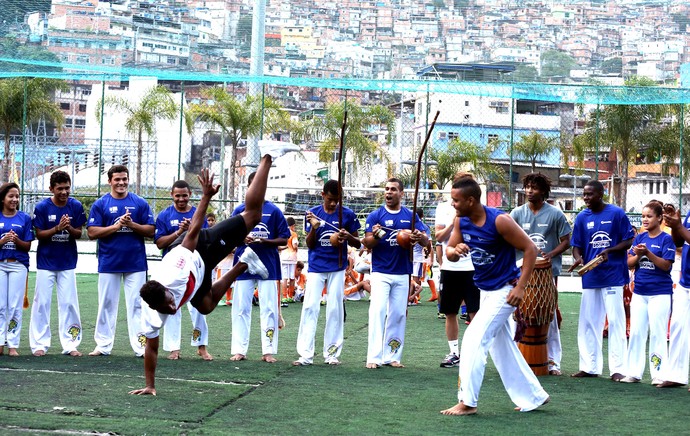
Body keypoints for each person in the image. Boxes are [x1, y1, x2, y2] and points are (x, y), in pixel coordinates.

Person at [130, 141, 299, 396]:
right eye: (167, 308)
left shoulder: (175, 272)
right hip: (199, 277)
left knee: (253, 216)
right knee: (206, 306)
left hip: (203, 248)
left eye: (170, 301)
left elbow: (194, 231)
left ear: (167, 290)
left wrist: (206, 196)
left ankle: (267, 155)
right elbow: (151, 349)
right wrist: (150, 385)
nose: (172, 307)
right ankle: (244, 263)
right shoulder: (151, 315)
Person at [440, 176, 549, 416]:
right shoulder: (461, 220)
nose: (453, 204)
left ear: (470, 200)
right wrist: (454, 250)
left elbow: (530, 249)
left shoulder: (500, 221)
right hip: (485, 291)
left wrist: (521, 287)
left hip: (505, 291)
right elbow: (449, 252)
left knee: (473, 340)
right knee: (501, 348)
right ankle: (533, 396)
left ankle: (467, 402)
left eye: (456, 200)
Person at [568, 180, 634, 381]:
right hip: (591, 277)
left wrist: (610, 250)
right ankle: (589, 367)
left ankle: (618, 369)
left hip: (613, 275)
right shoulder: (581, 217)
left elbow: (629, 240)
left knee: (615, 322)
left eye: (590, 194)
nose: (586, 198)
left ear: (601, 194)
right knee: (588, 322)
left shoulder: (616, 213)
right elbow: (576, 245)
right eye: (584, 194)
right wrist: (578, 258)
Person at [87, 165, 155, 357]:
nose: (121, 183)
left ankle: (141, 346)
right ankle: (103, 345)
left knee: (137, 304)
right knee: (106, 303)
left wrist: (131, 224)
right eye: (117, 179)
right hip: (109, 263)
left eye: (124, 179)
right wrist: (116, 226)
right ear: (109, 181)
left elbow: (151, 231)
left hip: (136, 263)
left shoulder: (140, 203)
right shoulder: (101, 204)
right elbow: (92, 232)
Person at [293, 179, 361, 366]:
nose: (333, 203)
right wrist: (314, 228)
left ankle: (331, 354)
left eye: (336, 200)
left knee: (334, 310)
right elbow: (310, 244)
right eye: (330, 199)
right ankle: (305, 355)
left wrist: (348, 237)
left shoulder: (347, 215)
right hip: (316, 267)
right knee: (309, 308)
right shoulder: (313, 213)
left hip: (337, 268)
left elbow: (358, 242)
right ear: (323, 195)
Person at [363, 178, 428, 369]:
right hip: (381, 271)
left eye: (393, 189)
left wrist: (419, 237)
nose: (388, 193)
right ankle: (374, 357)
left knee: (398, 314)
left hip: (402, 271)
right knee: (377, 312)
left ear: (401, 193)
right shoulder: (376, 215)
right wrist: (375, 236)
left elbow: (425, 241)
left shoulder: (411, 216)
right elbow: (367, 243)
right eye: (386, 189)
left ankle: (391, 355)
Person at [510, 173, 571, 376]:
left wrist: (551, 254)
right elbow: (506, 237)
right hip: (521, 272)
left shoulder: (555, 214)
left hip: (546, 274)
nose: (529, 191)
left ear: (543, 191)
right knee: (516, 315)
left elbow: (566, 240)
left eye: (534, 188)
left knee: (549, 316)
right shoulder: (517, 213)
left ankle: (553, 361)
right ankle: (516, 358)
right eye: (527, 187)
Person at [230, 171, 291, 363]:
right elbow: (229, 235)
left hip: (268, 265)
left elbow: (284, 238)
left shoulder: (273, 211)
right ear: (248, 187)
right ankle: (239, 350)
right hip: (243, 264)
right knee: (241, 308)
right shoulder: (239, 209)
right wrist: (242, 238)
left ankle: (268, 350)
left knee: (269, 309)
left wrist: (264, 240)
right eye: (253, 185)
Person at [29, 171, 87, 357]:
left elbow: (79, 234)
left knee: (69, 303)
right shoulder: (42, 207)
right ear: (51, 189)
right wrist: (57, 228)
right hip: (46, 263)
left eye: (67, 188)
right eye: (60, 188)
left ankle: (70, 344)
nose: (64, 192)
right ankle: (39, 344)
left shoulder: (75, 206)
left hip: (68, 262)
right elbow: (40, 235)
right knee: (42, 303)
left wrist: (68, 227)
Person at [154, 180, 212, 361]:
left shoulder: (197, 213)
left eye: (184, 195)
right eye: (177, 195)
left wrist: (192, 232)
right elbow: (160, 243)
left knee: (197, 307)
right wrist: (180, 232)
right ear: (172, 195)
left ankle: (201, 346)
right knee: (173, 306)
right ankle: (174, 348)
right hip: (172, 270)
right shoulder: (164, 215)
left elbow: (206, 239)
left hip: (194, 267)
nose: (181, 199)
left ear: (190, 195)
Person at [621, 201, 674, 384]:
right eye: (643, 216)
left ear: (659, 218)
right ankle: (633, 373)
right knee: (636, 331)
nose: (645, 219)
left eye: (649, 216)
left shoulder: (666, 239)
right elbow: (628, 263)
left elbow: (666, 266)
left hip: (659, 293)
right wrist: (638, 255)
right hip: (640, 292)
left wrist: (648, 254)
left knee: (658, 333)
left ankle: (658, 374)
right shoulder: (640, 238)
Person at [434, 174, 480, 368]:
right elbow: (438, 237)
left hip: (472, 268)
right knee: (450, 311)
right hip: (451, 268)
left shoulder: (476, 208)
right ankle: (454, 353)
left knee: (474, 312)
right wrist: (453, 223)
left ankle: (475, 354)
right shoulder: (445, 207)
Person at [0, 182, 34, 357]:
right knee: (0, 305)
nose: (14, 199)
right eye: (10, 196)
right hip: (0, 263)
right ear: (3, 198)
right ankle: (0, 342)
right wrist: (3, 241)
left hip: (18, 265)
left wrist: (15, 240)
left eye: (16, 196)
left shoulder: (24, 218)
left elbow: (27, 245)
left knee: (14, 306)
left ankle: (12, 344)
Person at [659, 204, 690, 388]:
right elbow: (679, 242)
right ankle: (677, 375)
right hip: (686, 281)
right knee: (678, 326)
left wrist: (678, 226)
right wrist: (673, 224)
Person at [280, 217, 299, 303]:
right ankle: (290, 296)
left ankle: (284, 296)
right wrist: (296, 249)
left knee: (284, 277)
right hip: (292, 257)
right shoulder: (294, 234)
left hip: (284, 257)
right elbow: (294, 246)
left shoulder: (282, 232)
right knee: (292, 277)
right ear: (293, 225)